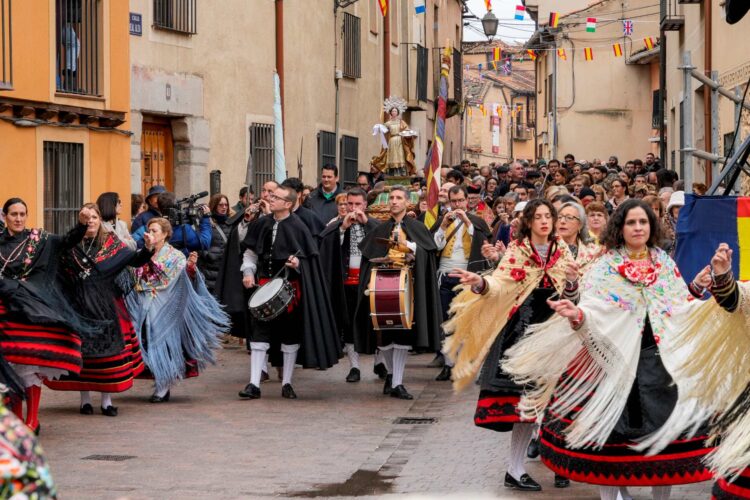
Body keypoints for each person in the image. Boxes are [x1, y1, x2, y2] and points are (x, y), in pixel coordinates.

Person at [502, 199, 716, 500]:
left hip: (658, 364)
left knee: (663, 446)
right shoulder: (606, 266)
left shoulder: (663, 263)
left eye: (643, 222)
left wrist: (696, 286)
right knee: (610, 444)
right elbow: (592, 307)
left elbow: (678, 306)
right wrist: (577, 313)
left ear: (651, 226)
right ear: (621, 227)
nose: (638, 228)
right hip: (614, 363)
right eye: (631, 222)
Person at [444, 199, 578, 491]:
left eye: (548, 216)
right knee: (525, 408)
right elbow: (501, 284)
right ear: (528, 222)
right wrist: (479, 282)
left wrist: (571, 283)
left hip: (556, 333)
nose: (545, 221)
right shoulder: (518, 250)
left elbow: (572, 293)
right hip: (522, 332)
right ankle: (514, 470)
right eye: (539, 217)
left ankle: (558, 464)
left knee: (557, 405)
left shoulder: (563, 250)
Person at [45, 203, 153, 417]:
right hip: (77, 306)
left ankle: (106, 401)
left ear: (100, 220)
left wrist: (148, 249)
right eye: (87, 217)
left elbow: (134, 260)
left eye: (95, 217)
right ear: (81, 220)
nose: (91, 221)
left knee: (106, 357)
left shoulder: (113, 245)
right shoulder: (71, 245)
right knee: (82, 356)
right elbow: (58, 268)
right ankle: (84, 400)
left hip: (104, 306)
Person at [0, 199, 98, 433]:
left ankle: (32, 420)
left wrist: (82, 225)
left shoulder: (39, 239)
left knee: (29, 364)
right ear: (5, 216)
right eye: (13, 214)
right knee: (8, 367)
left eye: (23, 213)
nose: (19, 218)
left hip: (30, 307)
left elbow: (65, 242)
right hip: (4, 307)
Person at [239, 186, 340, 399]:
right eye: (271, 196)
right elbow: (250, 253)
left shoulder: (299, 227)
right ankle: (253, 384)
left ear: (288, 204)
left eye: (276, 197)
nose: (270, 199)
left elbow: (310, 260)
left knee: (289, 335)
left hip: (289, 290)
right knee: (259, 335)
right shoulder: (260, 224)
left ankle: (287, 383)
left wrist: (297, 263)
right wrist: (248, 272)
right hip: (263, 287)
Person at [352, 186, 442, 400]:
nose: (394, 201)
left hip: (407, 286)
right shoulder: (380, 229)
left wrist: (409, 246)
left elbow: (426, 254)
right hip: (383, 286)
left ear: (406, 202)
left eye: (398, 198)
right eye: (391, 198)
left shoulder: (417, 228)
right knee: (382, 335)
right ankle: (392, 376)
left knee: (402, 333)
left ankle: (398, 382)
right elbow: (369, 255)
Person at [126, 218, 228, 403]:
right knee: (146, 343)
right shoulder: (141, 253)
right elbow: (133, 274)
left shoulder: (175, 256)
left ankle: (163, 387)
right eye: (149, 230)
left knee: (163, 344)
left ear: (165, 234)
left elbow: (184, 281)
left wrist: (190, 268)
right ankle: (159, 382)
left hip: (166, 306)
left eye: (155, 230)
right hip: (143, 306)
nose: (150, 233)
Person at [318, 188, 380, 383]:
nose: (353, 208)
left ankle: (381, 363)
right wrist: (342, 228)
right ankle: (354, 367)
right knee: (350, 325)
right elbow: (326, 244)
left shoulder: (375, 225)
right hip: (347, 282)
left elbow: (382, 245)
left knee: (375, 325)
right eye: (349, 204)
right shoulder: (337, 225)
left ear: (365, 205)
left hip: (369, 282)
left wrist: (366, 223)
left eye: (357, 204)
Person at [432, 185, 492, 382]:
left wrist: (467, 223)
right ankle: (449, 364)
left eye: (460, 201)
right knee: (446, 321)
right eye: (453, 201)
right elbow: (434, 245)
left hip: (466, 277)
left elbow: (482, 241)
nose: (457, 205)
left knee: (466, 321)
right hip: (445, 274)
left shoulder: (476, 221)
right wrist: (442, 226)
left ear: (467, 201)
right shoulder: (443, 221)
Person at [132, 192, 213, 256]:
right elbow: (205, 243)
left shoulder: (152, 227)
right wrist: (205, 219)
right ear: (176, 207)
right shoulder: (183, 230)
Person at [197, 194, 234, 295]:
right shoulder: (206, 222)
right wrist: (208, 255)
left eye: (226, 205)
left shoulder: (231, 222)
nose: (224, 207)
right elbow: (199, 244)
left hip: (226, 269)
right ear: (214, 206)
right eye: (220, 205)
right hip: (209, 269)